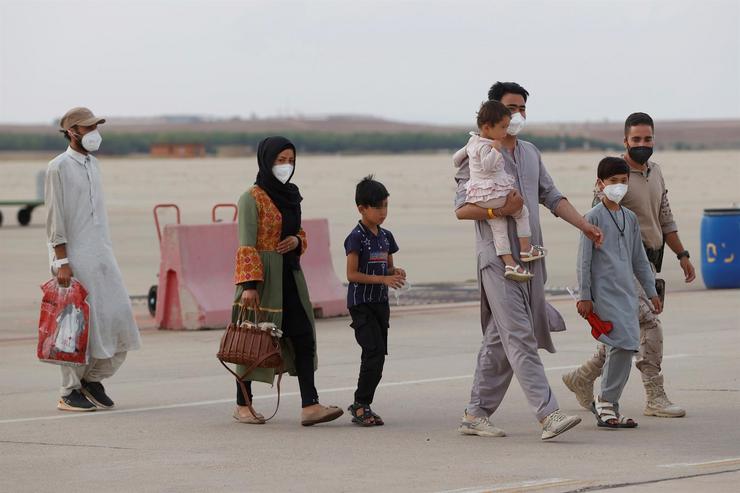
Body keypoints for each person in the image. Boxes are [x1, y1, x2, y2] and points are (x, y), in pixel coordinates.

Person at [453, 81, 604, 440]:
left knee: (498, 340)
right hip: (498, 260)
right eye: (510, 108)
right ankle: (547, 414)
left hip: (531, 259)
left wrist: (585, 225)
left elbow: (551, 196)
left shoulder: (531, 153)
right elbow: (462, 208)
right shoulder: (475, 153)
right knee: (519, 335)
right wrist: (500, 209)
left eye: (522, 108)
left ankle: (476, 413)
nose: (517, 115)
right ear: (492, 113)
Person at [562, 112, 694, 418]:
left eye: (648, 139)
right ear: (625, 141)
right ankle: (654, 394)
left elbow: (665, 217)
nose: (642, 144)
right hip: (621, 268)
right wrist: (593, 288)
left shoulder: (656, 172)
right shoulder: (613, 176)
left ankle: (582, 377)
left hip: (649, 262)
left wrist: (682, 254)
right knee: (649, 323)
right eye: (636, 139)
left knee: (624, 331)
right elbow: (596, 226)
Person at [232, 136, 343, 426]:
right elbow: (246, 244)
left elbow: (300, 233)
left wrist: (296, 240)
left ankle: (310, 404)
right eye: (280, 160)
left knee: (303, 335)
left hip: (290, 274)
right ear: (266, 161)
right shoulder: (251, 198)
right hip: (262, 279)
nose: (286, 166)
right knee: (253, 340)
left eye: (291, 160)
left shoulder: (292, 194)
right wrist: (249, 287)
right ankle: (243, 404)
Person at [45, 107, 141, 412]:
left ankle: (92, 379)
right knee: (76, 325)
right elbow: (55, 218)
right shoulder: (57, 167)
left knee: (117, 315)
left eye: (96, 127)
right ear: (72, 132)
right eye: (88, 128)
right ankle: (68, 390)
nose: (94, 133)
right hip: (73, 258)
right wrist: (61, 261)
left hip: (101, 253)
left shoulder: (93, 165)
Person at [576, 157, 662, 428]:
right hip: (603, 294)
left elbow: (639, 258)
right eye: (613, 182)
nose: (618, 186)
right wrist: (584, 296)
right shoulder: (591, 218)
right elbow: (584, 261)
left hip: (627, 293)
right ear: (600, 184)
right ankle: (605, 404)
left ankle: (608, 405)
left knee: (626, 345)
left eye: (623, 182)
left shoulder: (630, 218)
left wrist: (651, 291)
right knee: (623, 344)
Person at [344, 176, 405, 426]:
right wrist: (382, 280)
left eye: (385, 206)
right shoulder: (356, 237)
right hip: (361, 304)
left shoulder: (386, 237)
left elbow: (388, 268)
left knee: (379, 355)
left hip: (381, 304)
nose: (383, 212)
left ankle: (364, 404)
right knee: (373, 352)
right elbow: (352, 274)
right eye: (377, 207)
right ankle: (360, 404)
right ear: (362, 208)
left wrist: (395, 273)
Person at [464, 100, 545, 282]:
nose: (504, 132)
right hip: (494, 195)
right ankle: (526, 249)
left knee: (498, 228)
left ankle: (509, 263)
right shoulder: (488, 145)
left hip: (481, 197)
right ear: (487, 127)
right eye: (502, 127)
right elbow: (487, 164)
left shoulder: (472, 142)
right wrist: (495, 149)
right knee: (522, 212)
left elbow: (457, 158)